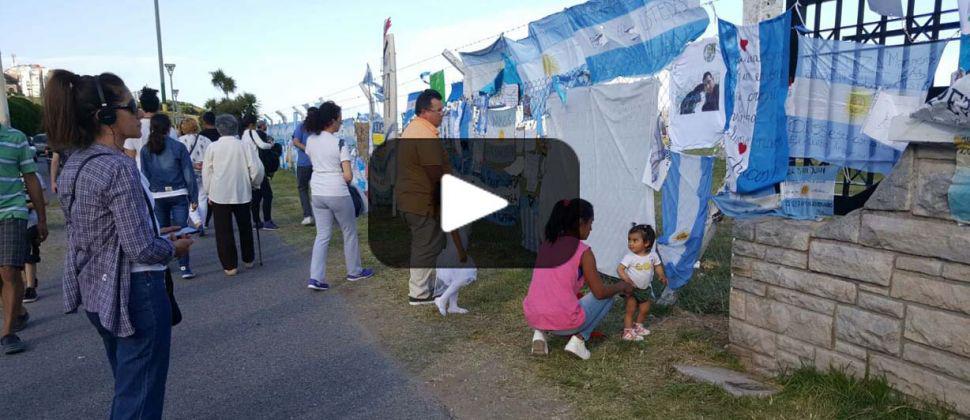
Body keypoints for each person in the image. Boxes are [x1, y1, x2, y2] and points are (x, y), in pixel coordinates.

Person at [43, 70, 193, 417]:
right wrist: (175, 247)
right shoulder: (118, 168)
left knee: (128, 386)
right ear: (106, 116)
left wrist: (156, 231)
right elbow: (141, 250)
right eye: (133, 106)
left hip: (99, 291)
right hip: (136, 290)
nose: (141, 114)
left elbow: (99, 232)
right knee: (139, 398)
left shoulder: (75, 165)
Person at [522, 199, 634, 360]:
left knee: (547, 297)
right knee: (607, 297)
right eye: (590, 223)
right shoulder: (584, 252)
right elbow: (600, 293)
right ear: (581, 223)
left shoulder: (546, 244)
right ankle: (579, 340)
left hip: (533, 316)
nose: (591, 228)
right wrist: (621, 285)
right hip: (563, 323)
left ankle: (539, 334)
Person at [304, 101, 373, 291]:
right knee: (349, 232)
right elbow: (348, 176)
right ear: (332, 121)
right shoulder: (339, 142)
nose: (341, 123)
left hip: (317, 191)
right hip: (337, 192)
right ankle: (354, 271)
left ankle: (315, 277)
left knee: (322, 235)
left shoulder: (310, 140)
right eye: (340, 120)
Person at [397, 89, 450, 306]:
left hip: (412, 198)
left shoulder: (414, 129)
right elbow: (434, 172)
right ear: (425, 111)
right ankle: (418, 293)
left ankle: (427, 287)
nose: (442, 114)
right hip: (421, 200)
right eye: (439, 111)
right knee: (426, 244)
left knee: (427, 242)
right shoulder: (424, 134)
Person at [0, 124, 47, 354]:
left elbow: (31, 178)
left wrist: (41, 218)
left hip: (12, 210)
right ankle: (18, 310)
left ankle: (8, 333)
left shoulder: (15, 138)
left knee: (9, 270)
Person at [203, 114, 264, 276]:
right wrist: (255, 183)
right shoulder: (244, 146)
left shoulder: (212, 147)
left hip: (219, 193)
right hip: (242, 191)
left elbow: (207, 172)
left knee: (223, 231)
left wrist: (208, 191)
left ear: (218, 128)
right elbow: (256, 168)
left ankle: (230, 265)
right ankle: (248, 258)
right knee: (245, 226)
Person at [141, 114, 198, 279]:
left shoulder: (146, 149)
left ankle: (163, 266)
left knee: (162, 232)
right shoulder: (178, 146)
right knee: (181, 231)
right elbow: (188, 174)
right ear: (169, 128)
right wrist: (193, 197)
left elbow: (145, 175)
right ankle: (184, 267)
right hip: (179, 193)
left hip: (157, 195)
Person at [617, 224, 668, 342]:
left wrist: (661, 275)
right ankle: (628, 332)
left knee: (644, 309)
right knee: (630, 310)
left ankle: (638, 326)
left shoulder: (652, 256)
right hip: (632, 289)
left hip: (645, 288)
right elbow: (620, 269)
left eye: (635, 240)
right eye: (629, 240)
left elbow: (658, 266)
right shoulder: (629, 257)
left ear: (646, 243)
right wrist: (627, 280)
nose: (630, 243)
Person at [242, 115, 279, 231]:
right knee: (268, 194)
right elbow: (262, 145)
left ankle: (257, 221)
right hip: (257, 168)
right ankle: (267, 221)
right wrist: (271, 145)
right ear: (252, 124)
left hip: (249, 168)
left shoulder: (243, 135)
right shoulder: (252, 133)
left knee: (256, 196)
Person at [123, 87, 177, 165]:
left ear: (141, 106)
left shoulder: (133, 128)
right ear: (158, 106)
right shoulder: (170, 129)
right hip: (167, 172)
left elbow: (130, 157)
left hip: (141, 172)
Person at [177, 117, 211, 235]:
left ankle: (197, 222)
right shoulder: (205, 140)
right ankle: (203, 223)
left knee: (189, 199)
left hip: (187, 173)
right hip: (203, 173)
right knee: (202, 198)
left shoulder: (179, 141)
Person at [22, 150, 47, 304]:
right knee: (18, 257)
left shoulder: (34, 176)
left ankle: (30, 288)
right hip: (15, 220)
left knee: (29, 256)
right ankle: (29, 281)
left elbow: (43, 201)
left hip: (31, 221)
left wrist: (26, 206)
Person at [433, 226, 473, 316]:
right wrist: (460, 250)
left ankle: (453, 306)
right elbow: (453, 231)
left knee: (456, 277)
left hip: (456, 250)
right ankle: (442, 299)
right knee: (467, 275)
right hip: (455, 252)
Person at [292, 107, 317, 226]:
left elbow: (295, 141)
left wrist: (306, 149)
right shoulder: (319, 128)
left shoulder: (301, 126)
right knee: (317, 189)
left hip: (303, 163)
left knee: (303, 189)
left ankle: (308, 215)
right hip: (317, 163)